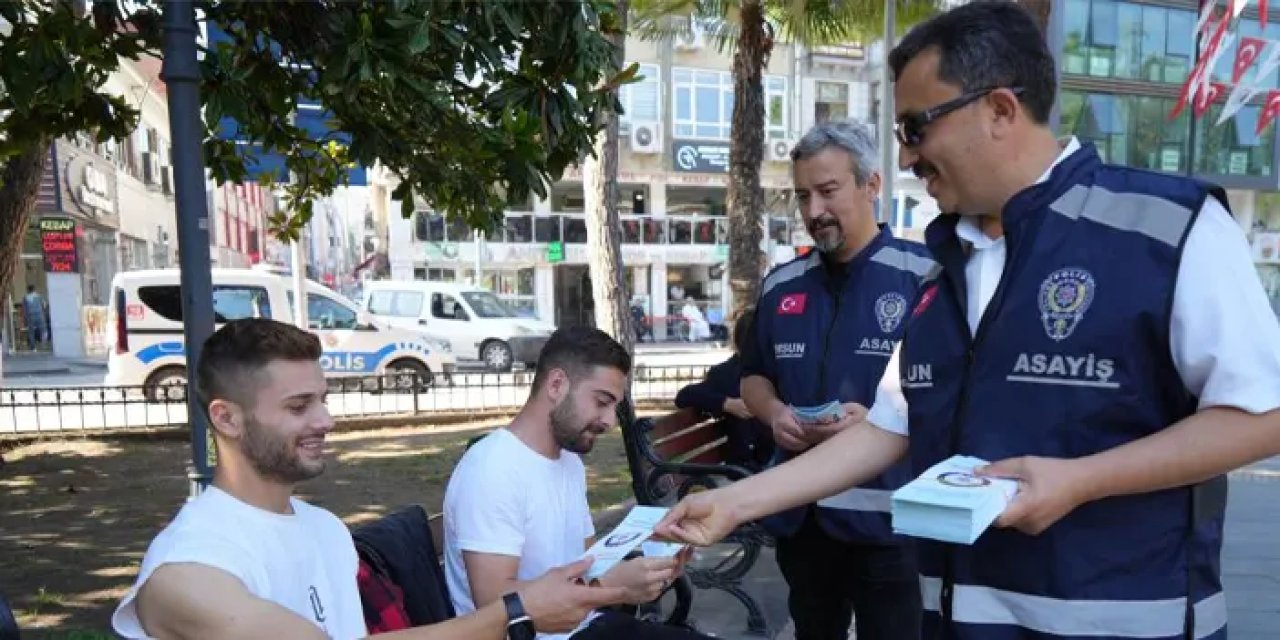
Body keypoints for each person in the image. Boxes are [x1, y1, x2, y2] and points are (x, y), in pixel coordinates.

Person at [654, 4, 1280, 640]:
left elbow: (1265, 414)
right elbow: (885, 429)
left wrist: (1080, 481)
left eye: (916, 128)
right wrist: (731, 503)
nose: (907, 155)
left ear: (1001, 110)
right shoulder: (942, 271)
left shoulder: (1168, 228)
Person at [112, 318, 626, 640]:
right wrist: (516, 612)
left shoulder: (325, 529)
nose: (326, 420)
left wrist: (525, 609)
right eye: (299, 405)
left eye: (323, 399)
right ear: (226, 418)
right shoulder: (186, 569)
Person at [739, 119, 934, 640]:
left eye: (828, 191)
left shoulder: (925, 276)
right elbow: (753, 377)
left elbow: (948, 393)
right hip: (802, 521)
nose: (813, 211)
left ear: (872, 185)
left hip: (889, 524)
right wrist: (773, 413)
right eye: (803, 196)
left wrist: (879, 424)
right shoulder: (781, 284)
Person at [444, 325, 712, 640]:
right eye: (602, 402)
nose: (611, 421)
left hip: (584, 627)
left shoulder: (568, 460)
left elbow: (589, 564)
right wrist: (614, 587)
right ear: (556, 385)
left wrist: (650, 571)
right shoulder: (492, 469)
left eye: (615, 407)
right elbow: (494, 606)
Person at [673, 309, 773, 471]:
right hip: (747, 467)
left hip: (774, 459)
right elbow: (684, 396)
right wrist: (727, 404)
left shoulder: (777, 372)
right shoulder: (725, 374)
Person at [22, 285, 46, 350]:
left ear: (28, 290)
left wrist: (24, 318)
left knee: (31, 332)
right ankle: (44, 344)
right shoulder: (39, 296)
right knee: (43, 330)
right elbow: (44, 305)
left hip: (30, 316)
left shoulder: (25, 297)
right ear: (34, 289)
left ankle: (33, 347)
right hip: (39, 315)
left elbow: (24, 309)